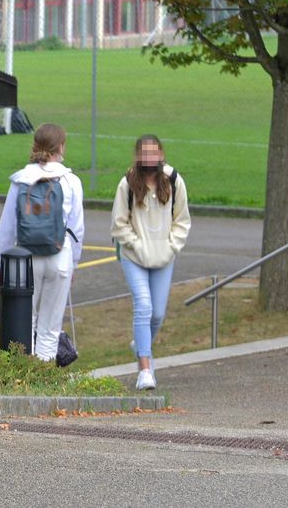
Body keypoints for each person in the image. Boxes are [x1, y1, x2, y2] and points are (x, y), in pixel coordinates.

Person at [0, 123, 85, 362]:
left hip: (26, 259)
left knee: (25, 322)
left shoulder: (21, 179)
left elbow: (7, 228)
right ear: (61, 147)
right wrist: (73, 262)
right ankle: (45, 379)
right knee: (50, 327)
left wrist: (0, 262)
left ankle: (25, 378)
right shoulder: (71, 181)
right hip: (60, 255)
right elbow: (77, 228)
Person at [111, 135, 192, 391]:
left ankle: (141, 343)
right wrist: (135, 243)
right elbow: (118, 224)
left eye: (153, 153)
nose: (149, 158)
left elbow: (182, 220)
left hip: (163, 256)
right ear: (137, 156)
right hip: (134, 256)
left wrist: (171, 247)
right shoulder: (127, 184)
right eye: (143, 153)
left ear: (161, 154)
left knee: (157, 313)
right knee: (143, 307)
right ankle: (145, 369)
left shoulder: (174, 182)